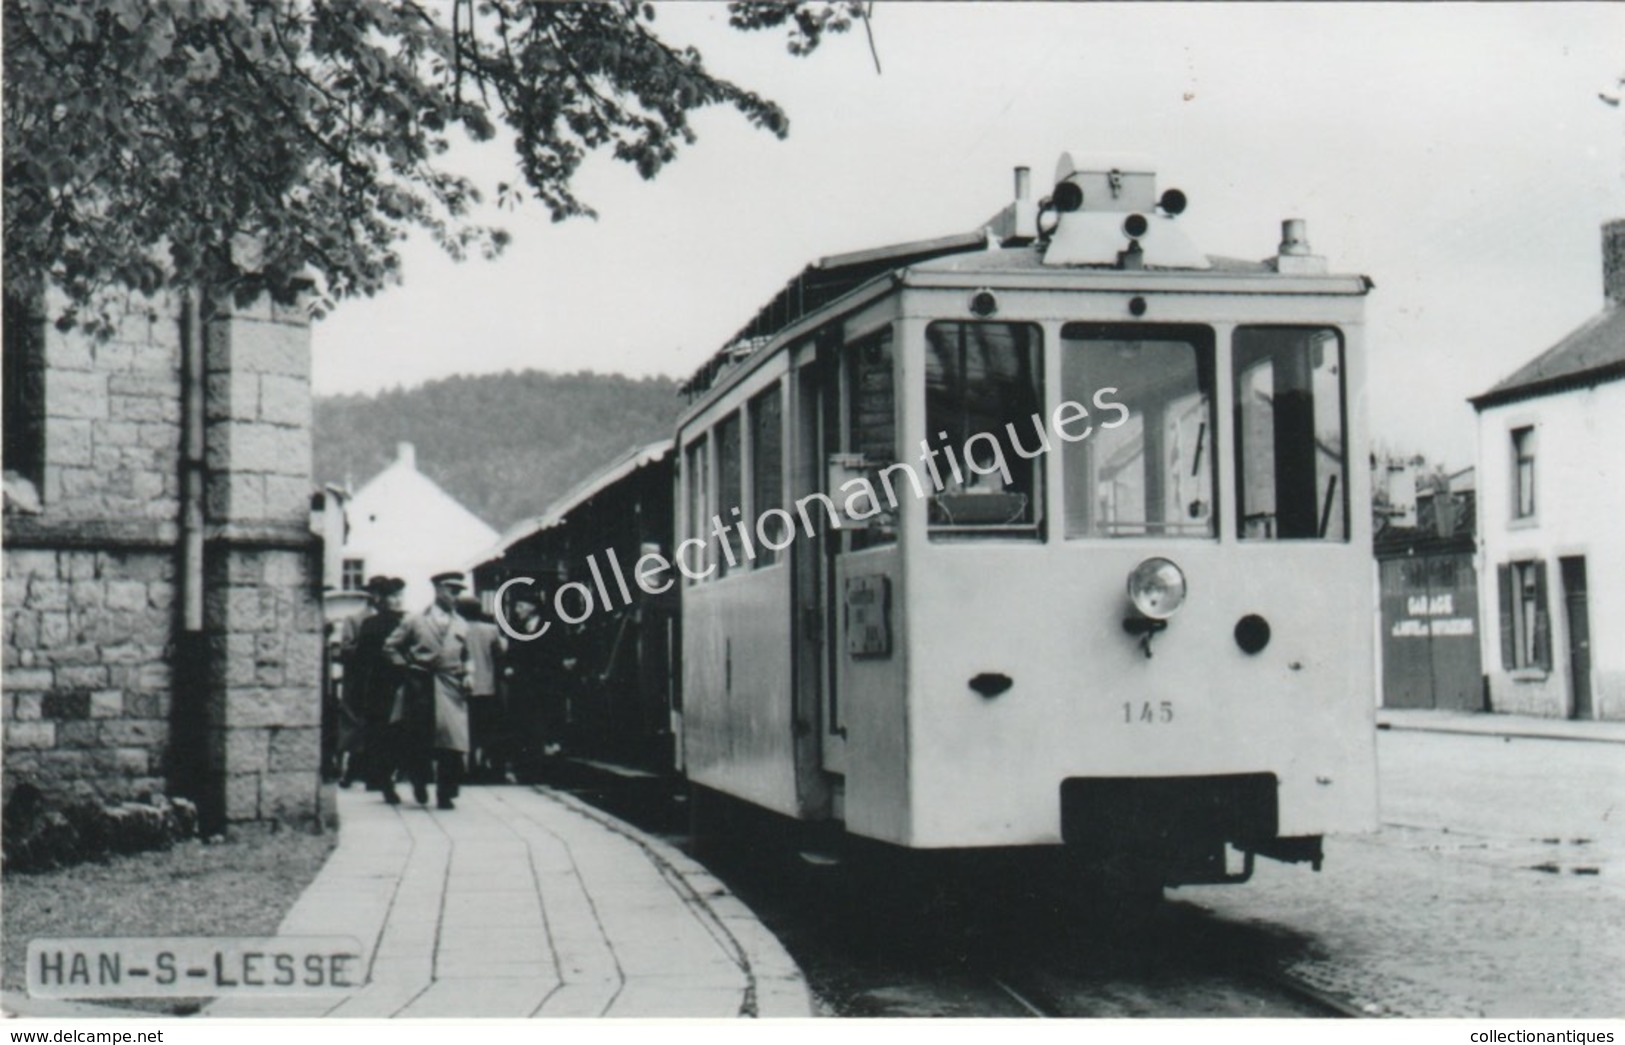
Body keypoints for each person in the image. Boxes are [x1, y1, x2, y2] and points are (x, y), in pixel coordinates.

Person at [384, 572, 472, 810]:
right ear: (438, 589)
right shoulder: (415, 620)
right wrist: (404, 665)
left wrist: (469, 674)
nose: (456, 596)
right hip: (420, 683)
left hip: (450, 685)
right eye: (451, 591)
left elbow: (467, 655)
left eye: (458, 592)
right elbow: (391, 646)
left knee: (452, 741)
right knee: (418, 737)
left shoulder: (462, 624)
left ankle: (446, 792)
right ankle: (419, 781)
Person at [502, 585, 565, 781]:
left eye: (520, 606)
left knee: (545, 727)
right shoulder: (517, 630)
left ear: (532, 607)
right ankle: (527, 769)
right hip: (523, 688)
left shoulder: (551, 626)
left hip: (545, 687)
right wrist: (508, 668)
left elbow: (557, 654)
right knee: (525, 728)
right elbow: (510, 655)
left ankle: (547, 771)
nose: (517, 610)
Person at [335, 575, 394, 786]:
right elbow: (345, 648)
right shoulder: (355, 619)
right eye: (379, 593)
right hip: (359, 677)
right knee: (354, 723)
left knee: (378, 724)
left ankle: (374, 772)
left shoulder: (394, 619)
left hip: (383, 679)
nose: (383, 598)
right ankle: (350, 771)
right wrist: (365, 650)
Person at [350, 577, 407, 797]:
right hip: (381, 684)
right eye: (393, 596)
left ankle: (383, 777)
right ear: (383, 599)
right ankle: (381, 778)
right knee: (381, 732)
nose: (397, 601)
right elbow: (363, 659)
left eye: (399, 596)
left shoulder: (406, 621)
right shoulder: (371, 624)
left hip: (395, 683)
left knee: (390, 733)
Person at [458, 595, 507, 782]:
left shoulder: (457, 629)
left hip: (463, 687)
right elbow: (499, 657)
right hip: (487, 687)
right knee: (485, 730)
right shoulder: (491, 630)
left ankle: (467, 765)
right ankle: (484, 765)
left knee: (466, 729)